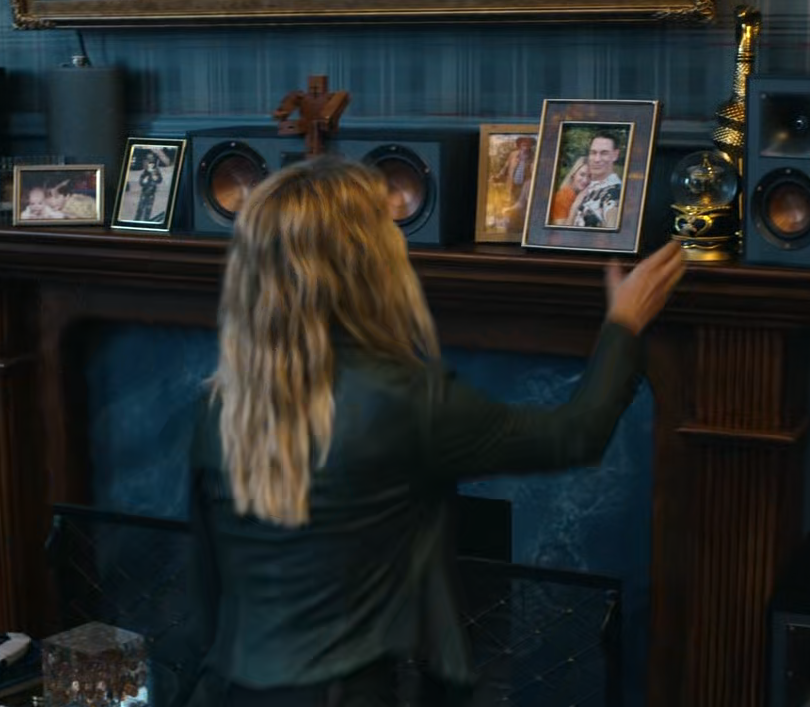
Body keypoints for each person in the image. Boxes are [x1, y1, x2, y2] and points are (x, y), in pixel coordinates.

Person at [175, 156, 685, 707]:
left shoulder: (221, 403)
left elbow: (206, 592)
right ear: (368, 262)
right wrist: (624, 324)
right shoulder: (405, 401)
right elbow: (576, 433)